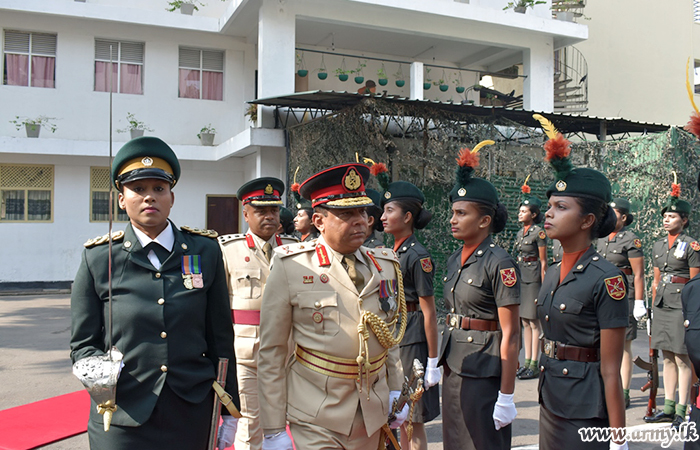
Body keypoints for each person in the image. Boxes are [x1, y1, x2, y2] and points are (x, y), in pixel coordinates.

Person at [70, 136, 240, 450]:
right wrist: (101, 380)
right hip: (121, 414)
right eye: (138, 189)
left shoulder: (204, 250)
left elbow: (220, 337)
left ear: (171, 197)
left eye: (158, 189)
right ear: (121, 199)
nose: (149, 197)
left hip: (190, 408)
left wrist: (231, 408)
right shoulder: (98, 258)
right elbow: (83, 342)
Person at [257, 163, 409, 450]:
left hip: (370, 411)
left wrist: (396, 390)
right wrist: (273, 429)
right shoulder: (292, 265)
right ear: (318, 221)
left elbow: (390, 339)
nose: (360, 221)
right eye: (346, 214)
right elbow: (272, 354)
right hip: (316, 410)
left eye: (363, 212)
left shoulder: (386, 265)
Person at [533, 117, 628, 450]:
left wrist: (619, 439)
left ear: (588, 220)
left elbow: (611, 369)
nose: (549, 214)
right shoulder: (553, 271)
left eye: (561, 207)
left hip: (585, 409)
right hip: (551, 398)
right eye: (549, 206)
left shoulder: (607, 279)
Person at [437, 141, 520, 450]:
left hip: (485, 367)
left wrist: (507, 395)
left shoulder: (499, 262)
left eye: (461, 213)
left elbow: (511, 333)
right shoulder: (454, 258)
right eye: (452, 212)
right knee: (455, 441)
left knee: (481, 443)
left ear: (484, 221)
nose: (452, 219)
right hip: (455, 362)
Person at [218, 178, 297, 450]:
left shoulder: (294, 250)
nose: (269, 217)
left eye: (274, 210)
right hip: (246, 354)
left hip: (287, 351)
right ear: (246, 214)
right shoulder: (228, 250)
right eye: (261, 211)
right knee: (250, 422)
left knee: (285, 420)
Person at [380, 181, 440, 450]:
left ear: (407, 217)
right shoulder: (392, 253)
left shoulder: (417, 256)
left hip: (412, 339)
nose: (382, 216)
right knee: (399, 416)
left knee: (412, 420)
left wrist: (432, 360)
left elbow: (429, 310)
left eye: (389, 210)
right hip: (395, 336)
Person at [646, 178, 700, 428]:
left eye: (672, 216)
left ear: (684, 220)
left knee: (681, 357)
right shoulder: (658, 245)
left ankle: (683, 408)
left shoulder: (691, 245)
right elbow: (656, 279)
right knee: (666, 355)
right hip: (662, 304)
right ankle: (667, 407)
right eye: (665, 216)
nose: (666, 219)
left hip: (682, 305)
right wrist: (649, 307)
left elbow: (695, 280)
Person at [595, 197, 646, 409]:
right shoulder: (600, 237)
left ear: (623, 217)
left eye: (614, 213)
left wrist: (639, 301)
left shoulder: (630, 239)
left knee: (624, 346)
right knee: (601, 343)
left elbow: (639, 274)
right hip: (601, 296)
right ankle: (604, 387)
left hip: (623, 296)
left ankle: (623, 392)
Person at [514, 177, 547, 380]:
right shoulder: (520, 233)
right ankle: (527, 361)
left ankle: (534, 363)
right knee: (525, 321)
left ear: (533, 215)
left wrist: (543, 287)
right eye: (520, 211)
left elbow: (543, 261)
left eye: (524, 211)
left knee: (534, 323)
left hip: (534, 279)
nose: (520, 214)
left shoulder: (539, 233)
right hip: (522, 278)